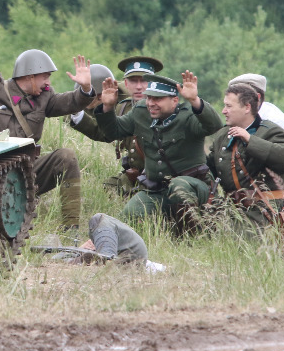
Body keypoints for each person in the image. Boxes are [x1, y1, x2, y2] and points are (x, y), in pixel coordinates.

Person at [95, 71, 223, 234]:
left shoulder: (188, 116)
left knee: (179, 187)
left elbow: (214, 126)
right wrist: (107, 107)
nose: (150, 103)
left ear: (174, 101)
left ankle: (191, 236)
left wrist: (195, 101)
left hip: (195, 188)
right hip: (157, 190)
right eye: (149, 98)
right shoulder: (141, 112)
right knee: (130, 214)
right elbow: (114, 131)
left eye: (157, 99)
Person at [0, 51, 95, 230]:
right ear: (30, 76)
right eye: (45, 77)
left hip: (26, 171)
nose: (48, 82)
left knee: (66, 158)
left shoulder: (45, 97)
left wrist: (86, 89)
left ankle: (71, 232)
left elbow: (71, 102)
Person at [207, 81, 284, 232]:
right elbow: (209, 167)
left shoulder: (270, 131)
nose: (224, 111)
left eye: (229, 106)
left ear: (247, 107)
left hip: (266, 212)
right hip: (232, 211)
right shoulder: (223, 136)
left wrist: (250, 140)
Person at [69, 56, 162, 196]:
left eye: (144, 80)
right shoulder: (124, 107)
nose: (138, 86)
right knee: (105, 191)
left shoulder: (164, 107)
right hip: (135, 176)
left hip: (162, 177)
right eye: (133, 81)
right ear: (125, 83)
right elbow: (106, 133)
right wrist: (77, 109)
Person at [227, 73, 284, 144]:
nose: (224, 111)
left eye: (242, 98)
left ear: (257, 97)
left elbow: (283, 152)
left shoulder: (274, 120)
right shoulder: (243, 118)